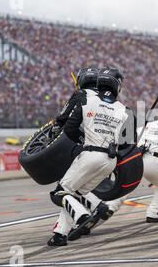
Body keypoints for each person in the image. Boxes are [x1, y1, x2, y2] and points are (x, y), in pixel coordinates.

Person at [47, 66, 130, 247]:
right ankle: (60, 235)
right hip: (110, 161)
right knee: (74, 194)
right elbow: (128, 143)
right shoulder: (125, 110)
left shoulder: (86, 100)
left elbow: (69, 129)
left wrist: (83, 141)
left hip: (90, 155)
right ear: (118, 87)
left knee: (59, 193)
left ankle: (82, 215)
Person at [103, 102, 158, 225]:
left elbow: (131, 140)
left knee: (127, 185)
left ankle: (109, 207)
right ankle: (153, 213)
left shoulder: (148, 124)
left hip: (137, 158)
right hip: (157, 163)